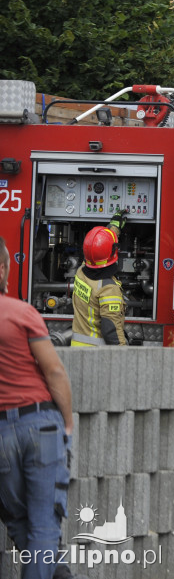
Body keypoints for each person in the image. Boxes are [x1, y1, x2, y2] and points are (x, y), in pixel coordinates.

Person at [0, 236, 75, 579]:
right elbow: (54, 370)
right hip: (40, 424)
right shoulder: (21, 312)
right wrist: (68, 423)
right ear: (3, 270)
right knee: (45, 526)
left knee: (18, 520)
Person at [71, 209, 129, 346]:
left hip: (77, 349)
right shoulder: (108, 289)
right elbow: (111, 332)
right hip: (97, 357)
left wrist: (113, 227)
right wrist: (125, 357)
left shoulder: (81, 271)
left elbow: (97, 250)